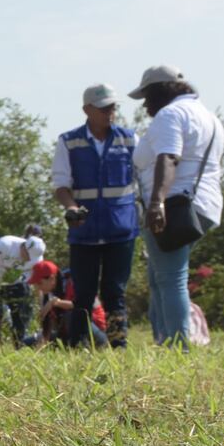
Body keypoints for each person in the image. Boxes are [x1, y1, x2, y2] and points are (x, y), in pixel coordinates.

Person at [129, 65, 224, 348]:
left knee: (171, 278)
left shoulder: (170, 114)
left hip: (175, 204)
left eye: (147, 96)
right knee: (160, 276)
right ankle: (164, 339)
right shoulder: (210, 117)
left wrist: (157, 202)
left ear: (161, 91)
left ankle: (177, 347)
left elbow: (169, 157)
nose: (145, 104)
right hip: (204, 205)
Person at [51, 84, 137, 349]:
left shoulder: (130, 139)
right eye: (103, 108)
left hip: (120, 228)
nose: (109, 113)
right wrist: (71, 208)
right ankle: (77, 346)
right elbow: (61, 185)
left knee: (115, 292)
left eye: (112, 107)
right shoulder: (69, 141)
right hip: (84, 231)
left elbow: (144, 178)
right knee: (84, 293)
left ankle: (118, 345)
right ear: (87, 110)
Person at [28, 261, 108, 348]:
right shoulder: (50, 293)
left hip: (96, 332)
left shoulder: (75, 283)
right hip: (69, 334)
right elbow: (49, 327)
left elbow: (82, 306)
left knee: (72, 315)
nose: (38, 287)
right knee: (28, 342)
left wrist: (55, 303)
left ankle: (81, 349)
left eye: (40, 283)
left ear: (52, 279)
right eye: (36, 284)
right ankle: (72, 346)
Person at [0, 233, 45, 346]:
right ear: (24, 247)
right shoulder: (5, 244)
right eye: (28, 256)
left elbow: (38, 284)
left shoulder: (37, 260)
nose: (29, 259)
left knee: (22, 311)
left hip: (17, 283)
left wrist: (42, 306)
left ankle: (19, 343)